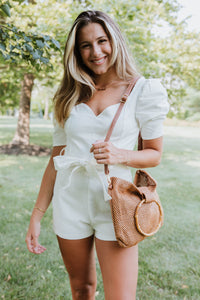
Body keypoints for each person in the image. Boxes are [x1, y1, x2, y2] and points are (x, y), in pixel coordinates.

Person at [25, 10, 169, 300]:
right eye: (85, 45)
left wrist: (119, 154)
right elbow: (56, 160)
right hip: (70, 202)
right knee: (81, 289)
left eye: (102, 41)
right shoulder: (69, 94)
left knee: (120, 297)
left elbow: (154, 155)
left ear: (115, 41)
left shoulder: (144, 90)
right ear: (76, 51)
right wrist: (37, 215)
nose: (96, 52)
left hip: (115, 203)